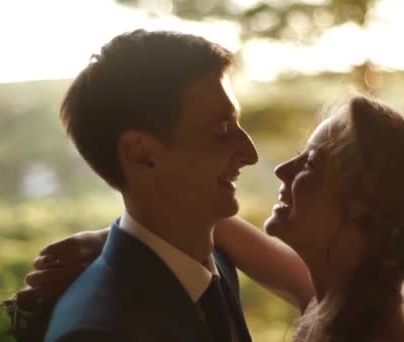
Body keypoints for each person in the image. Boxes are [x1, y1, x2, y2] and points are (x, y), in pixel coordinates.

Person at [20, 95, 404, 338]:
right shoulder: (340, 298)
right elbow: (214, 227)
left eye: (309, 165)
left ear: (361, 212)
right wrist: (115, 240)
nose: (281, 170)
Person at [32, 28, 273, 341]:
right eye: (222, 129)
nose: (249, 154)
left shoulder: (215, 265)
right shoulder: (94, 331)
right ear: (141, 153)